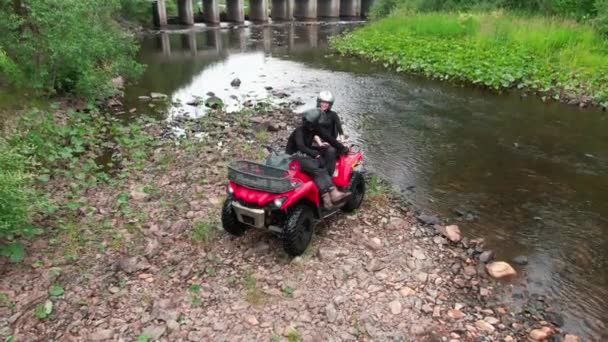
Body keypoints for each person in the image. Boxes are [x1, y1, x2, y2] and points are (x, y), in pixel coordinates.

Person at [286, 109, 351, 209]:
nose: (308, 124)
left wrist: (342, 148)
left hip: (303, 153)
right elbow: (301, 147)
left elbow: (329, 138)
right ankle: (329, 196)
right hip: (293, 157)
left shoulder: (313, 129)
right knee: (316, 168)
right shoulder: (299, 131)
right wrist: (316, 155)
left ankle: (330, 189)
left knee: (328, 151)